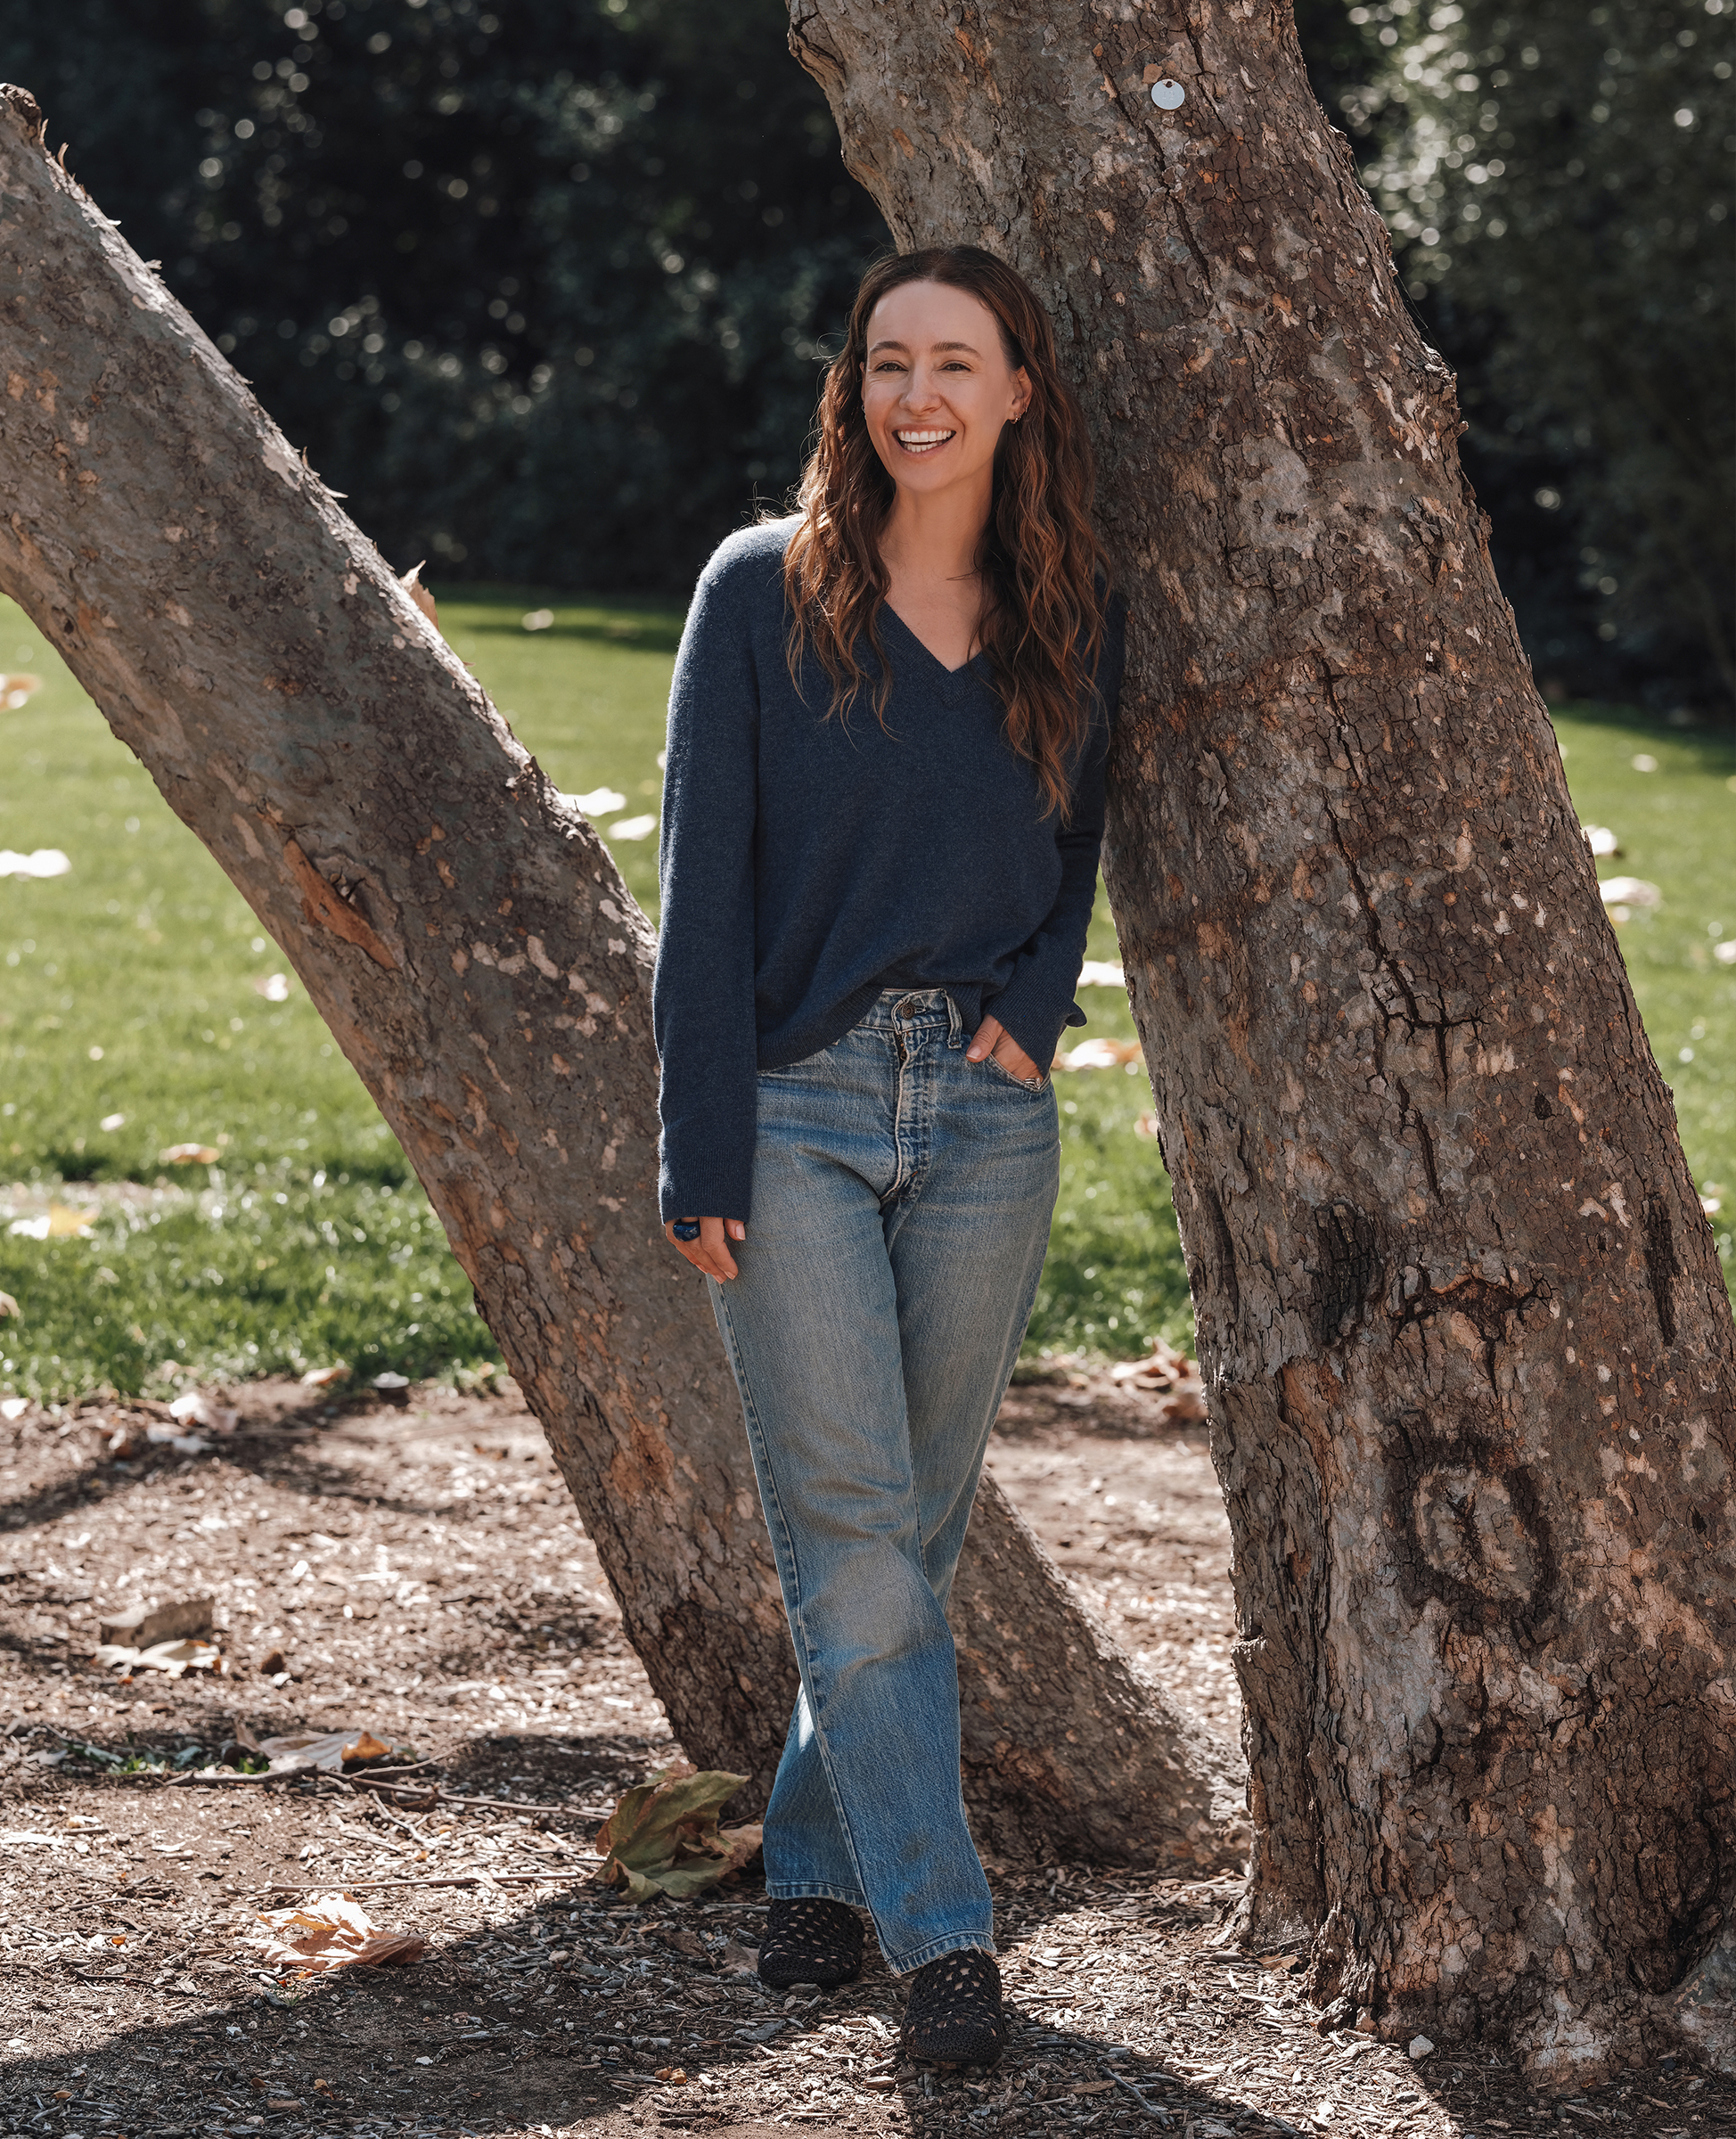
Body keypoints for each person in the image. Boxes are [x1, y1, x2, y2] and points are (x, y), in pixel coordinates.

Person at [653, 244, 1124, 2069]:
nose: (914, 395)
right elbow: (702, 899)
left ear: (1019, 392)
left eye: (955, 362)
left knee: (902, 1535)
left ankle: (816, 1870)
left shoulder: (1075, 603)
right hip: (794, 1116)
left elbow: (1077, 832)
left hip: (991, 1120)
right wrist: (702, 1146)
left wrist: (1037, 1002)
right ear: (851, 392)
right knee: (853, 1544)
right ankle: (945, 1952)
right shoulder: (760, 594)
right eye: (884, 362)